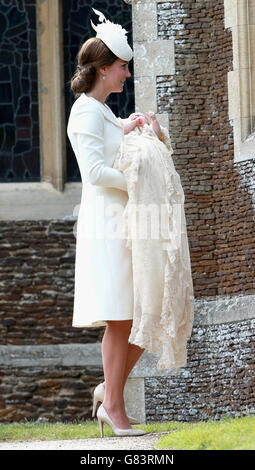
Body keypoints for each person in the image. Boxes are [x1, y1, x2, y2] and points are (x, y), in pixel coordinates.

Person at [67, 9, 150, 438]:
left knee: (142, 313)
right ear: (102, 69)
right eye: (122, 67)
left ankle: (108, 391)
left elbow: (114, 141)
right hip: (108, 223)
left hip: (125, 220)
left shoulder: (100, 109)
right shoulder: (84, 113)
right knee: (122, 316)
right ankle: (114, 406)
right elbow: (96, 172)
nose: (127, 74)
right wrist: (140, 182)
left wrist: (131, 127)